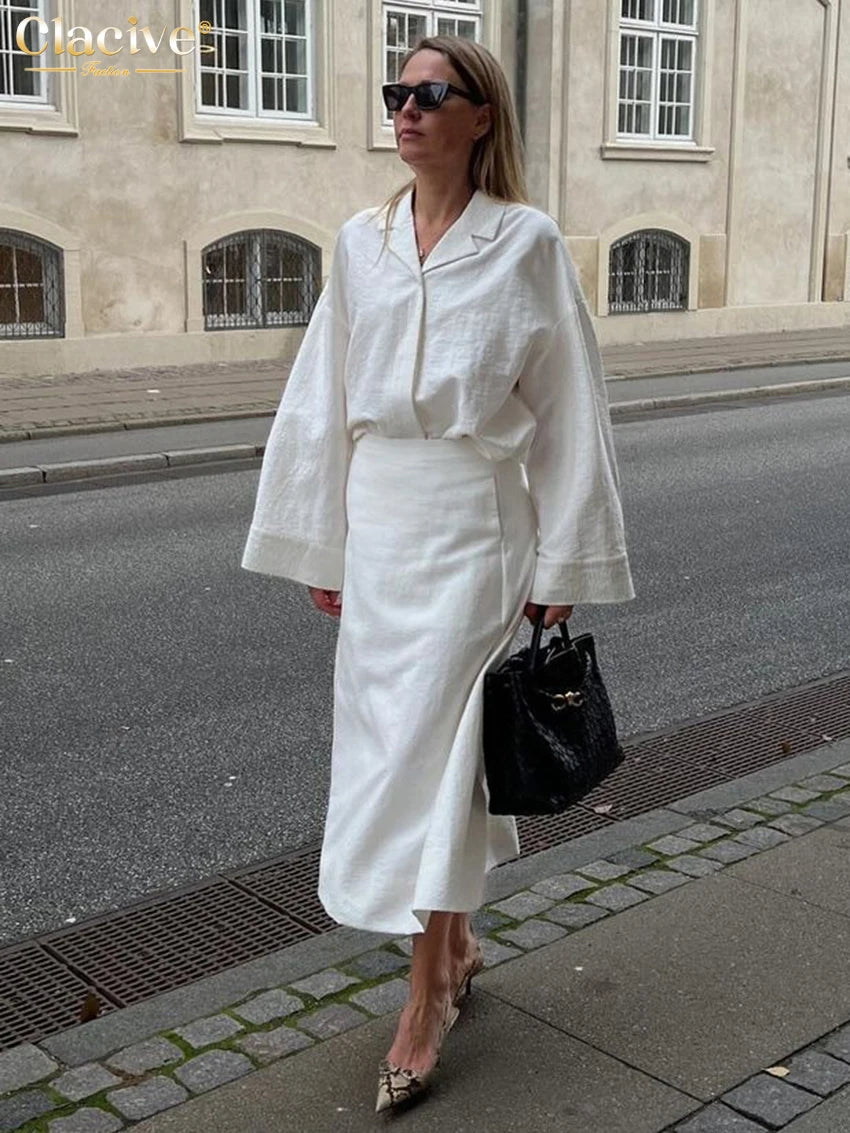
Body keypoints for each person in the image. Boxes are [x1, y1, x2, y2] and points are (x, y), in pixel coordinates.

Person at [240, 34, 635, 1113]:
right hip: (382, 523)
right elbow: (321, 397)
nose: (407, 110)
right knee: (403, 754)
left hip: (476, 524)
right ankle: (452, 950)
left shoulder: (525, 242)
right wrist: (320, 538)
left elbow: (569, 405)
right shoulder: (359, 242)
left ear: (481, 115)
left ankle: (423, 1001)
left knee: (441, 752)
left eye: (431, 93)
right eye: (397, 93)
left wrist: (564, 554)